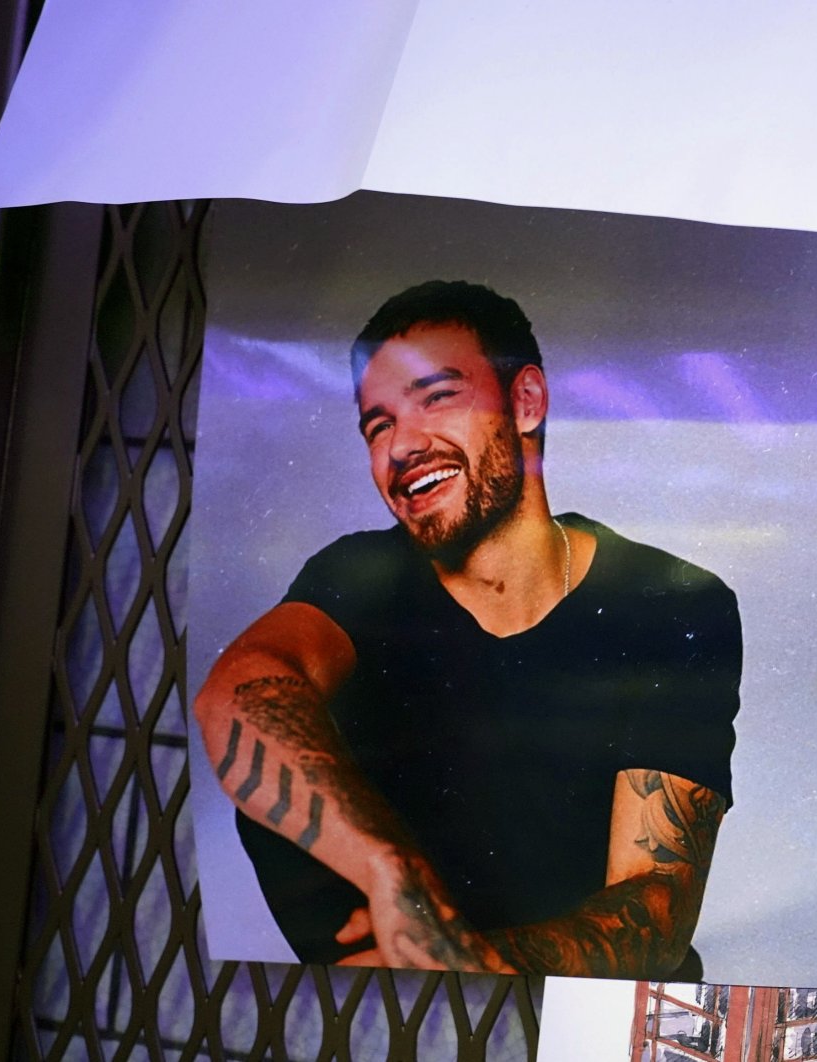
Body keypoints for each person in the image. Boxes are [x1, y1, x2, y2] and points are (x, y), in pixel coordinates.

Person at [192, 280, 742, 979]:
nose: (403, 445)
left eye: (437, 396)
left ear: (526, 402)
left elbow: (654, 908)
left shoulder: (672, 604)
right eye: (378, 424)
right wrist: (396, 875)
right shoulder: (361, 576)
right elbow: (240, 690)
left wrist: (464, 960)